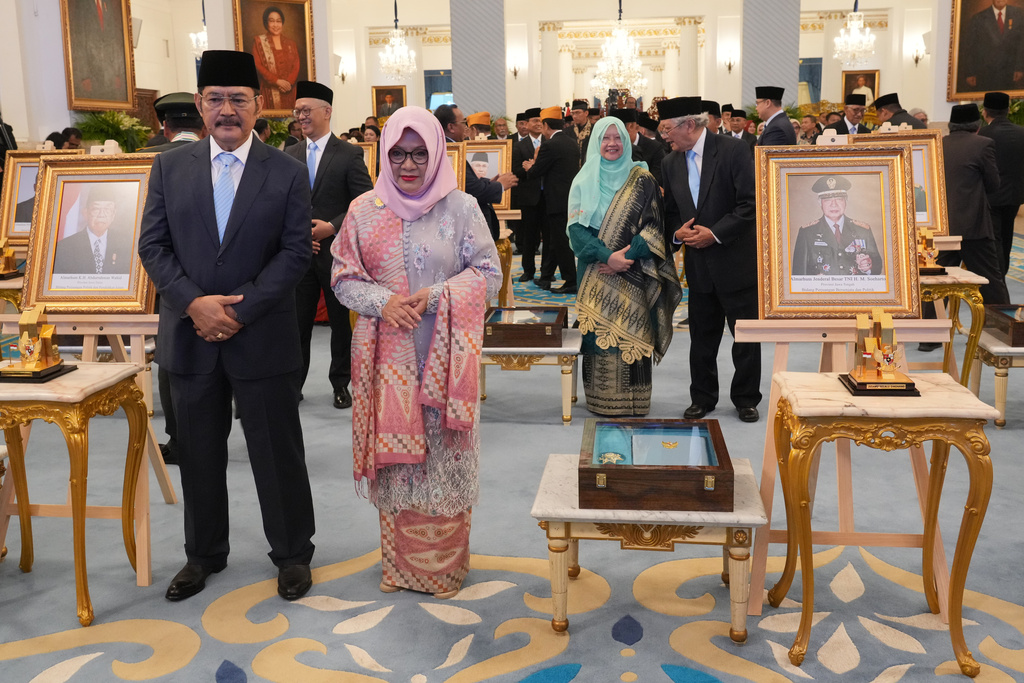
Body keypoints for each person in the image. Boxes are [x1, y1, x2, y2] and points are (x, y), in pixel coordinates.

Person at [137, 50, 316, 603]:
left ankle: (291, 554)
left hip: (260, 335)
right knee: (198, 453)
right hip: (189, 339)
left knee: (276, 451)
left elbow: (294, 253)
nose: (227, 110)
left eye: (239, 99)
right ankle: (203, 554)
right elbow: (153, 246)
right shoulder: (169, 167)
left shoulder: (285, 171)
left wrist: (236, 311)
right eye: (215, 99)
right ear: (199, 105)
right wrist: (195, 305)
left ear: (259, 106)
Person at [330, 106, 501, 598]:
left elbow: (490, 274)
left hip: (446, 359)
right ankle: (401, 569)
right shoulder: (363, 210)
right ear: (384, 154)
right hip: (388, 362)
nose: (408, 165)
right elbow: (343, 278)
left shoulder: (462, 207)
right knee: (401, 467)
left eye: (420, 154)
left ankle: (443, 570)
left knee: (444, 458)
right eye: (398, 154)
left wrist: (438, 297)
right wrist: (384, 303)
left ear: (437, 152)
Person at [567, 117, 681, 415]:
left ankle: (635, 401)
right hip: (595, 272)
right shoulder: (583, 180)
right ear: (596, 142)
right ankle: (602, 400)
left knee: (635, 331)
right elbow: (576, 230)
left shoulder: (642, 179)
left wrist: (626, 257)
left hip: (636, 270)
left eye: (618, 138)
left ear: (628, 141)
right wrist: (607, 257)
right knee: (598, 336)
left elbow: (655, 225)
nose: (612, 144)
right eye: (605, 138)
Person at [658, 96, 761, 423]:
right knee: (702, 339)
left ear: (689, 125)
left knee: (745, 339)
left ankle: (746, 398)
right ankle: (702, 398)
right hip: (699, 267)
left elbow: (750, 205)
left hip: (736, 263)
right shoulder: (669, 162)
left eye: (667, 130)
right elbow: (671, 213)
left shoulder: (732, 151)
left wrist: (713, 234)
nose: (665, 138)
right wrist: (678, 235)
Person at [285, 80, 373, 411]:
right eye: (298, 112)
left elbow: (364, 201)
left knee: (339, 323)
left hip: (337, 254)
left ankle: (340, 384)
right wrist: (301, 235)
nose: (301, 117)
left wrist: (330, 228)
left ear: (327, 112)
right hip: (300, 254)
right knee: (297, 325)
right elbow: (281, 202)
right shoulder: (289, 152)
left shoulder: (349, 153)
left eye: (306, 111)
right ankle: (294, 385)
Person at [940, 103, 1010, 304]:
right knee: (991, 281)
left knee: (936, 282)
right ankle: (1004, 327)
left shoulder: (938, 143)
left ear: (950, 125)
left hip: (942, 226)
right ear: (977, 125)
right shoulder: (983, 144)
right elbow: (993, 184)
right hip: (974, 225)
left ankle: (930, 329)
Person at [522, 105, 580, 293]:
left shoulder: (549, 145)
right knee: (557, 240)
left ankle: (571, 281)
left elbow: (537, 172)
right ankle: (546, 276)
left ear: (546, 125)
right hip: (569, 199)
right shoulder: (572, 141)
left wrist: (530, 166)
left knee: (561, 242)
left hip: (555, 201)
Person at [791, 175, 884, 276]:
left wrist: (868, 267)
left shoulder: (863, 231)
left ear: (846, 202)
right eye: (827, 200)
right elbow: (799, 274)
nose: (833, 204)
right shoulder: (807, 233)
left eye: (839, 199)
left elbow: (877, 267)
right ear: (820, 203)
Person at [980, 91, 1024, 277]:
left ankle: (997, 275)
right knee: (1007, 235)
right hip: (1015, 195)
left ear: (985, 112)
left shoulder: (984, 134)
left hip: (992, 195)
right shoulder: (1021, 132)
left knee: (995, 237)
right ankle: (1002, 272)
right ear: (1007, 110)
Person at [52, 185, 134, 276]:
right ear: (86, 213)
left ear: (113, 214)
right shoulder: (64, 247)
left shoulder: (126, 245)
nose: (101, 215)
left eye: (107, 209)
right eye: (96, 209)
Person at [961, 0, 1024, 92]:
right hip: (986, 73)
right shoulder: (978, 18)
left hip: (1010, 73)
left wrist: (1019, 67)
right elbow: (970, 47)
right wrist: (970, 73)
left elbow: (1022, 43)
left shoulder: (1019, 14)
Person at [512, 107, 544, 282]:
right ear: (526, 124)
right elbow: (516, 170)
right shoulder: (519, 146)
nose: (538, 124)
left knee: (549, 236)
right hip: (528, 197)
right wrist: (530, 169)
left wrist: (535, 165)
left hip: (548, 196)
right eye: (534, 121)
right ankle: (528, 270)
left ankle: (547, 272)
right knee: (529, 236)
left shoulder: (548, 142)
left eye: (540, 121)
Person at [252, 6, 300, 112]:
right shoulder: (259, 42)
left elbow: (296, 65)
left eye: (278, 21)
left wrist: (288, 83)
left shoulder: (291, 44)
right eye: (272, 21)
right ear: (266, 23)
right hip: (269, 90)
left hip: (289, 91)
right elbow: (258, 65)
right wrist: (276, 81)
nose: (275, 25)